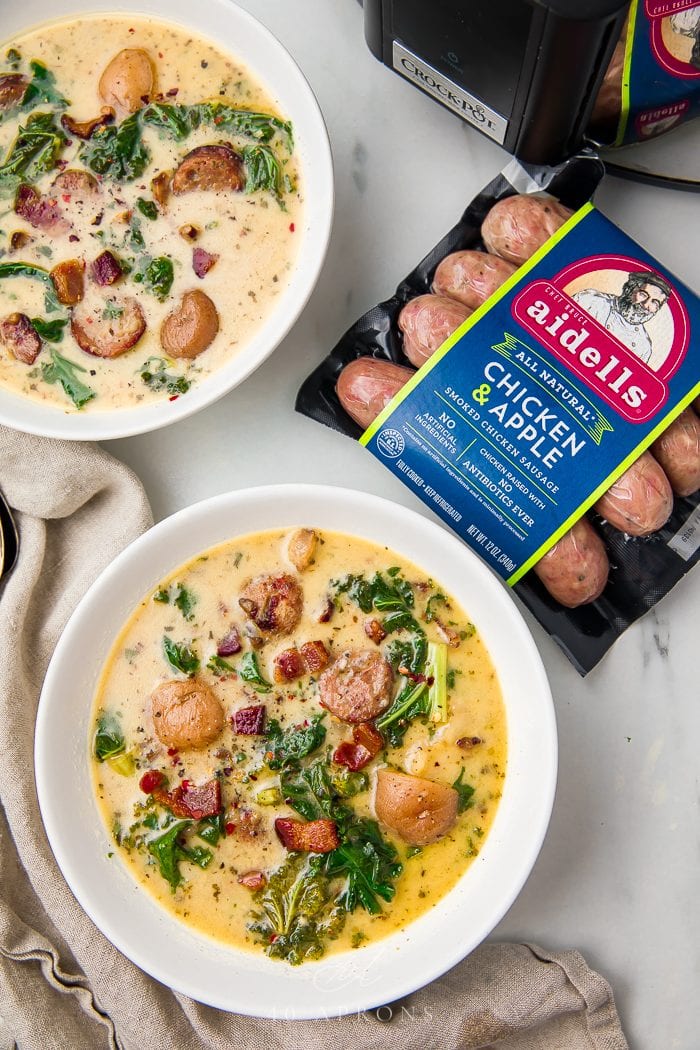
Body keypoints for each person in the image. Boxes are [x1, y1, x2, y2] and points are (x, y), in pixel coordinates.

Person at [572, 271, 671, 366]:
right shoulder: (590, 300)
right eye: (643, 295)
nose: (645, 305)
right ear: (629, 290)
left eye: (655, 303)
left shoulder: (643, 346)